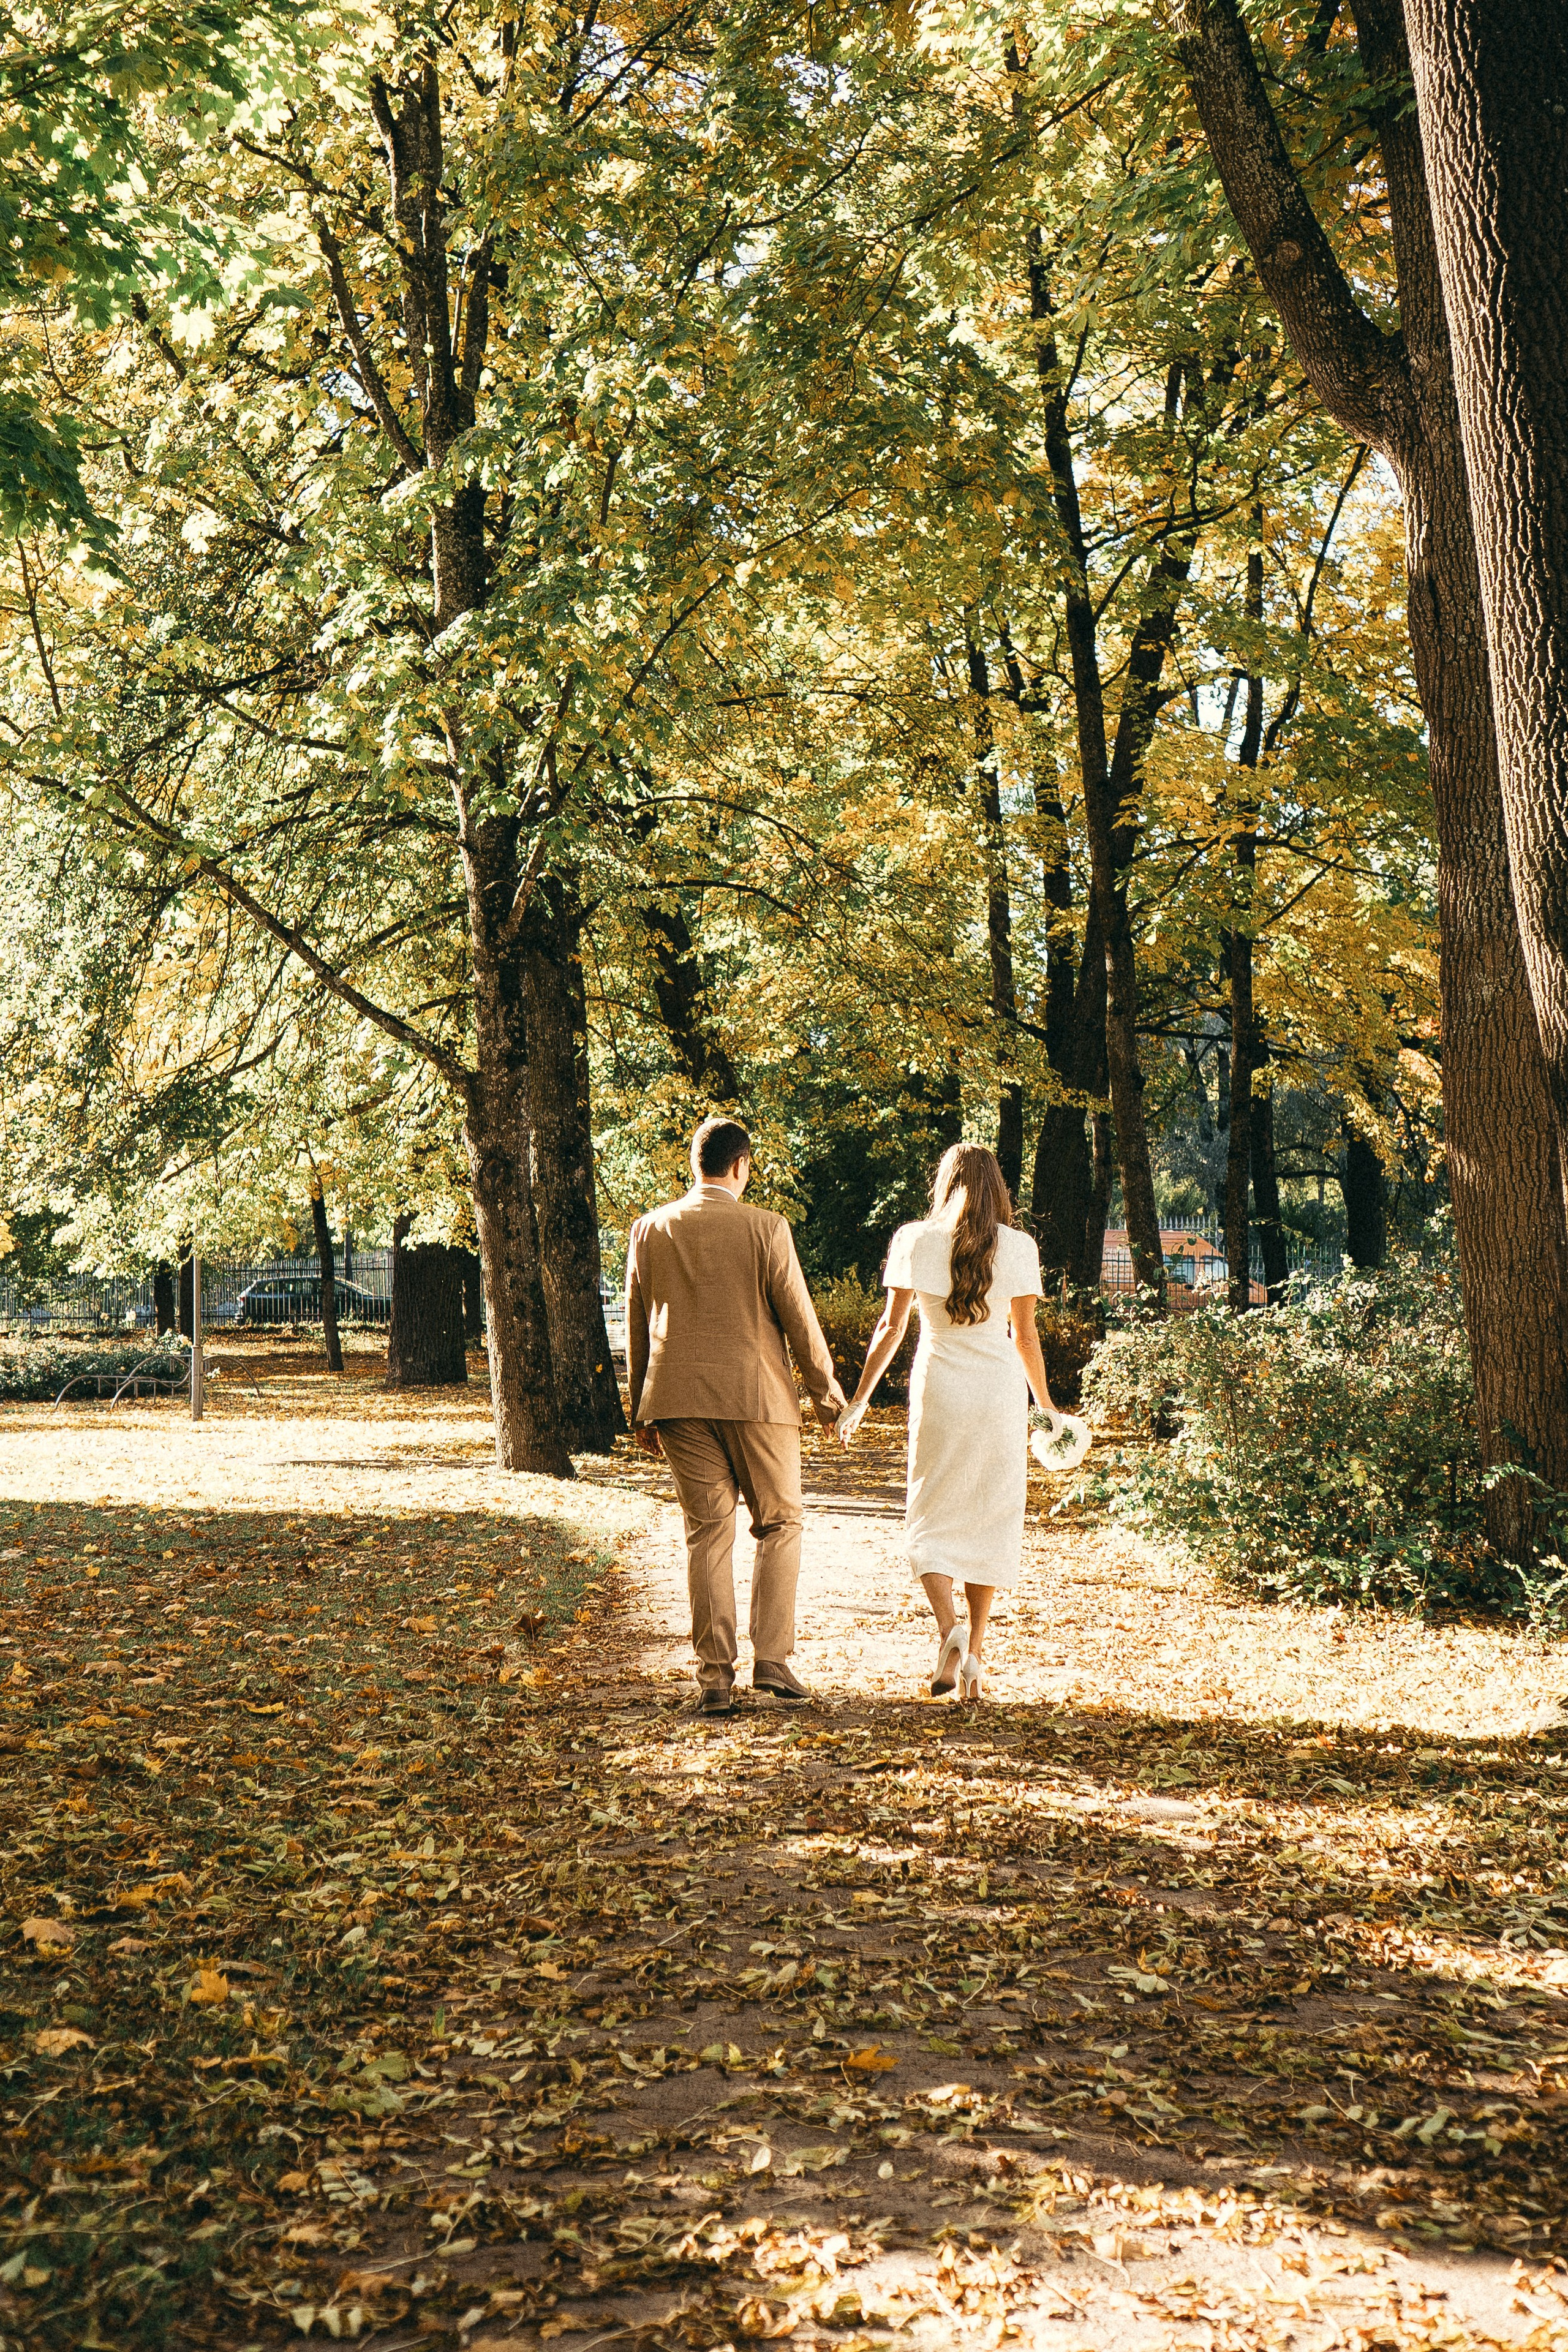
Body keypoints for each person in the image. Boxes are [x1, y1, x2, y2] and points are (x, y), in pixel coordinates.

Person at [626, 1116, 847, 1717]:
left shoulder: (648, 1229)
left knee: (707, 1534)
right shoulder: (765, 1228)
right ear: (741, 1165)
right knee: (780, 1524)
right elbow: (799, 1319)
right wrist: (830, 1400)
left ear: (695, 1165)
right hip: (757, 1400)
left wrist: (639, 1407)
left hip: (676, 1400)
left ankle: (714, 1681)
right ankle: (771, 1660)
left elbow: (638, 1321)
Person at [837, 1142, 1054, 1702]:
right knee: (989, 1513)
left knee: (929, 1509)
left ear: (945, 1183)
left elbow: (890, 1327)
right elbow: (1025, 1336)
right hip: (999, 1389)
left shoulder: (914, 1239)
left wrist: (860, 1397)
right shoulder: (1021, 1247)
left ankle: (947, 1631)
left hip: (940, 1385)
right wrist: (1047, 1406)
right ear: (998, 1188)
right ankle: (975, 1657)